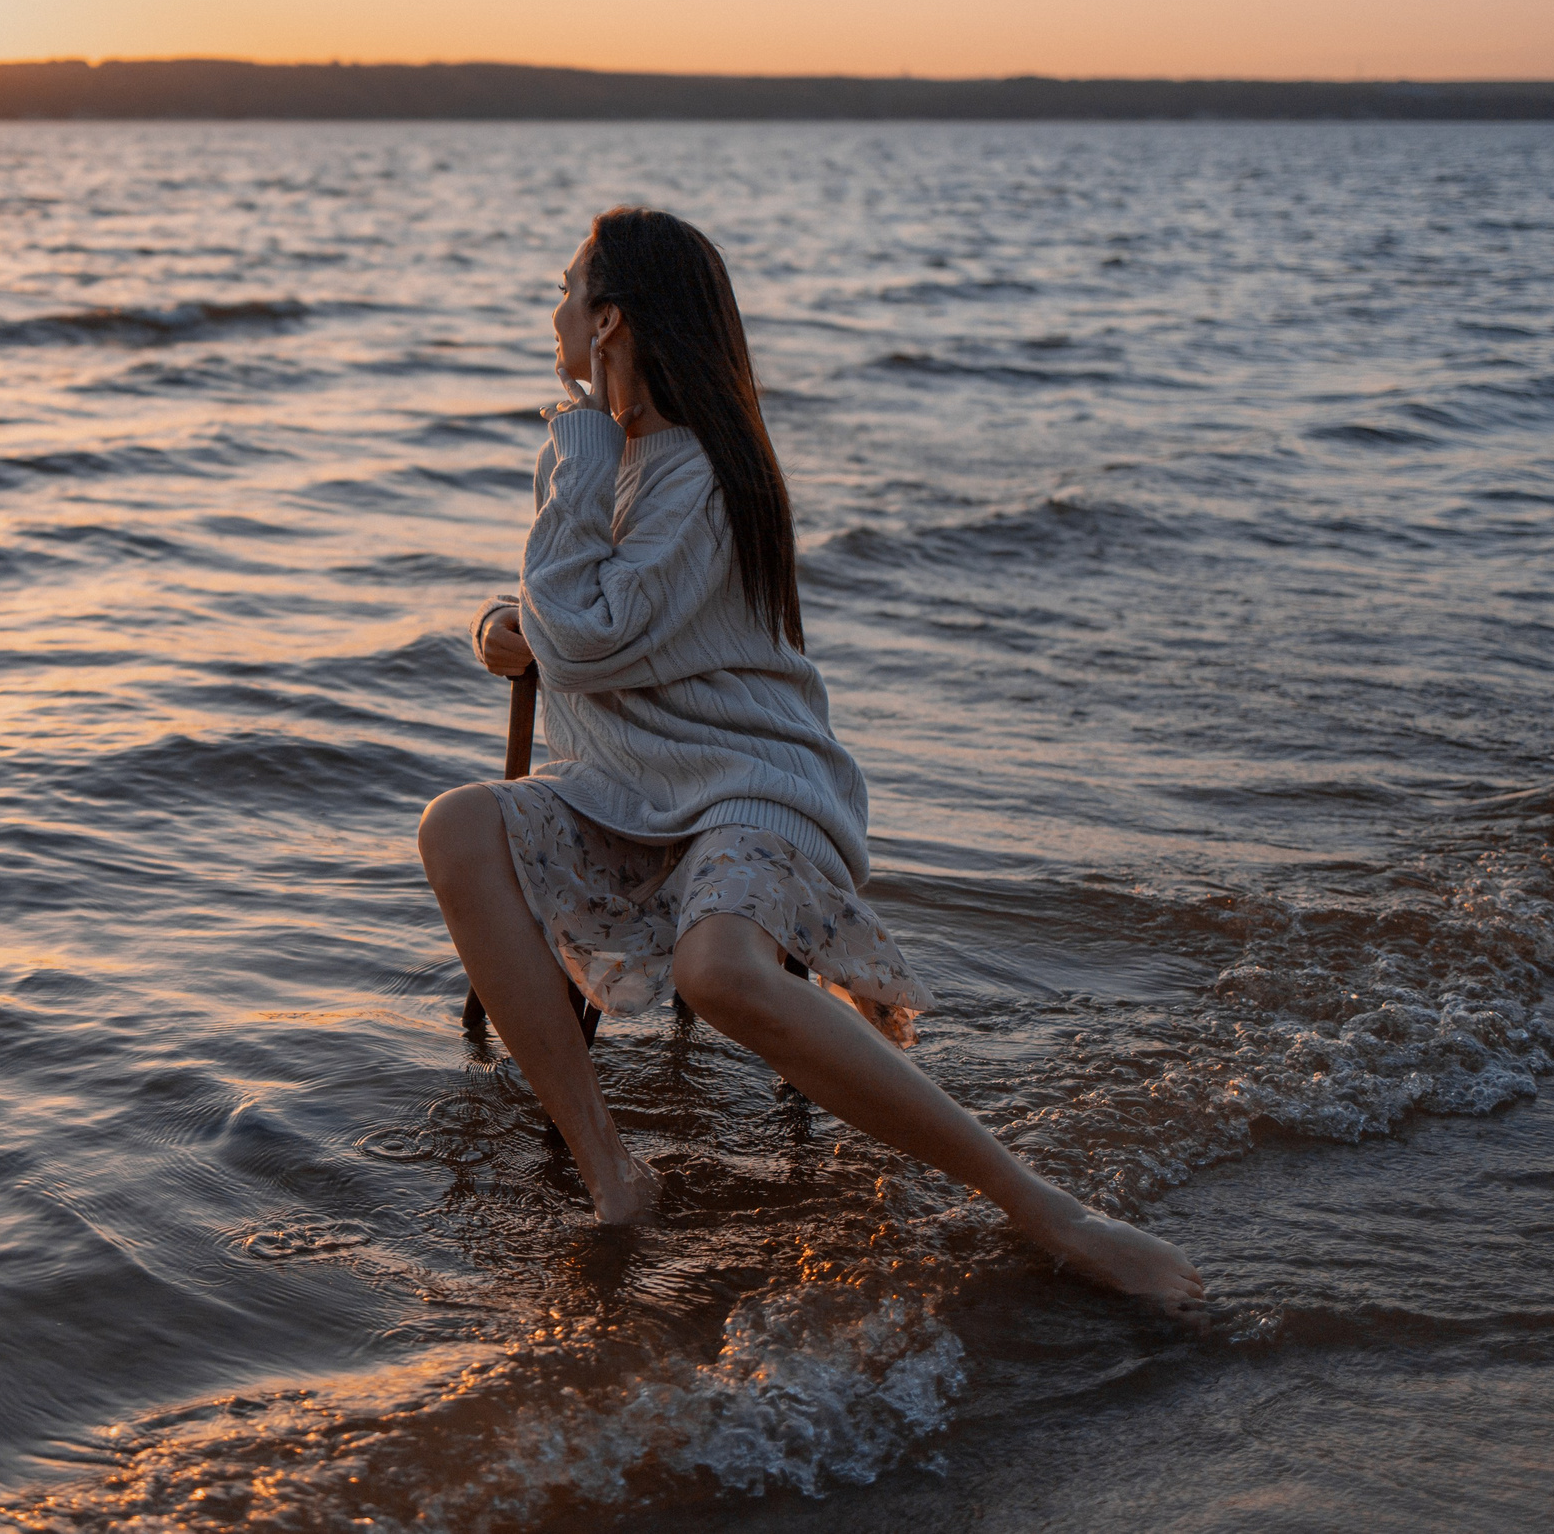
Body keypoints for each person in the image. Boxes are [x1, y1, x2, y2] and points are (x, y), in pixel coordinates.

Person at [415, 206, 1204, 1312]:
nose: (552, 312)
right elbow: (566, 605)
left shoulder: (697, 470)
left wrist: (569, 500)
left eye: (565, 290)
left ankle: (1044, 1209)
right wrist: (496, 621)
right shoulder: (608, 458)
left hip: (750, 787)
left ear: (610, 322)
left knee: (718, 971)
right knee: (456, 825)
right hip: (626, 791)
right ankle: (612, 1176)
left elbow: (587, 634)